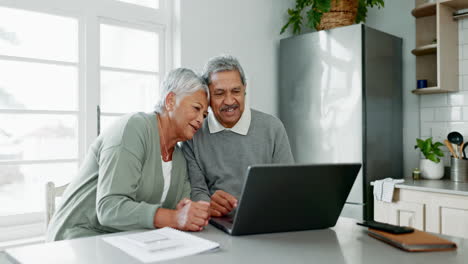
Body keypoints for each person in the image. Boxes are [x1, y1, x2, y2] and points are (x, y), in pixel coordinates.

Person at [47, 68, 211, 241]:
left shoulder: (179, 158)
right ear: (170, 101)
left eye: (205, 115)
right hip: (78, 238)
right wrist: (174, 218)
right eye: (196, 108)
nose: (201, 119)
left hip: (126, 241)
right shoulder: (133, 129)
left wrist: (193, 213)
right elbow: (109, 208)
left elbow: (180, 210)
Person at [181, 55, 294, 217]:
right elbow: (197, 190)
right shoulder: (193, 134)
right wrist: (208, 204)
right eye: (219, 93)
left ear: (245, 89)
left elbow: (287, 184)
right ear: (207, 96)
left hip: (267, 219)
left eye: (236, 91)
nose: (229, 101)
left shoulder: (273, 128)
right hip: (216, 222)